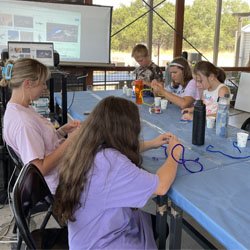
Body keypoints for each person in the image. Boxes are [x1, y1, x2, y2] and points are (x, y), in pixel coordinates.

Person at [54, 96, 182, 250]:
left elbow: (118, 149)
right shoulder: (112, 163)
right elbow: (161, 186)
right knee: (158, 225)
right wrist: (174, 154)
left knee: (155, 224)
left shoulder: (85, 146)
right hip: (103, 242)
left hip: (85, 235)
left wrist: (152, 144)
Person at [1, 58, 80, 194]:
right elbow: (39, 169)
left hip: (64, 168)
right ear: (28, 84)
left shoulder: (21, 107)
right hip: (60, 181)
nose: (45, 87)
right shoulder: (23, 122)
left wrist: (61, 131)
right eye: (42, 83)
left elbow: (41, 142)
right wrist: (71, 142)